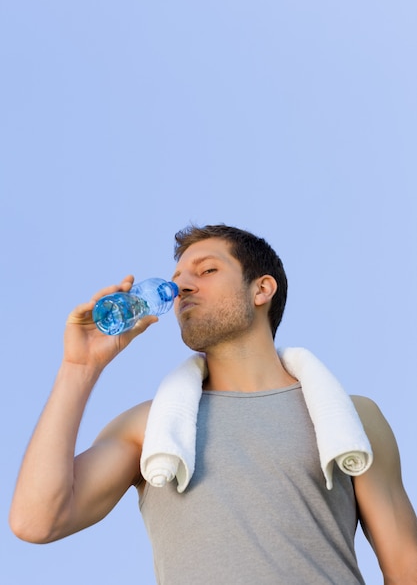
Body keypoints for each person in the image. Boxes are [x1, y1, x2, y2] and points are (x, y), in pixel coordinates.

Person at [9, 224, 417, 584]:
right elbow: (36, 521)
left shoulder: (351, 417)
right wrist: (79, 367)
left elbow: (405, 568)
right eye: (178, 278)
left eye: (206, 270)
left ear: (261, 289)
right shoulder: (149, 428)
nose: (184, 285)